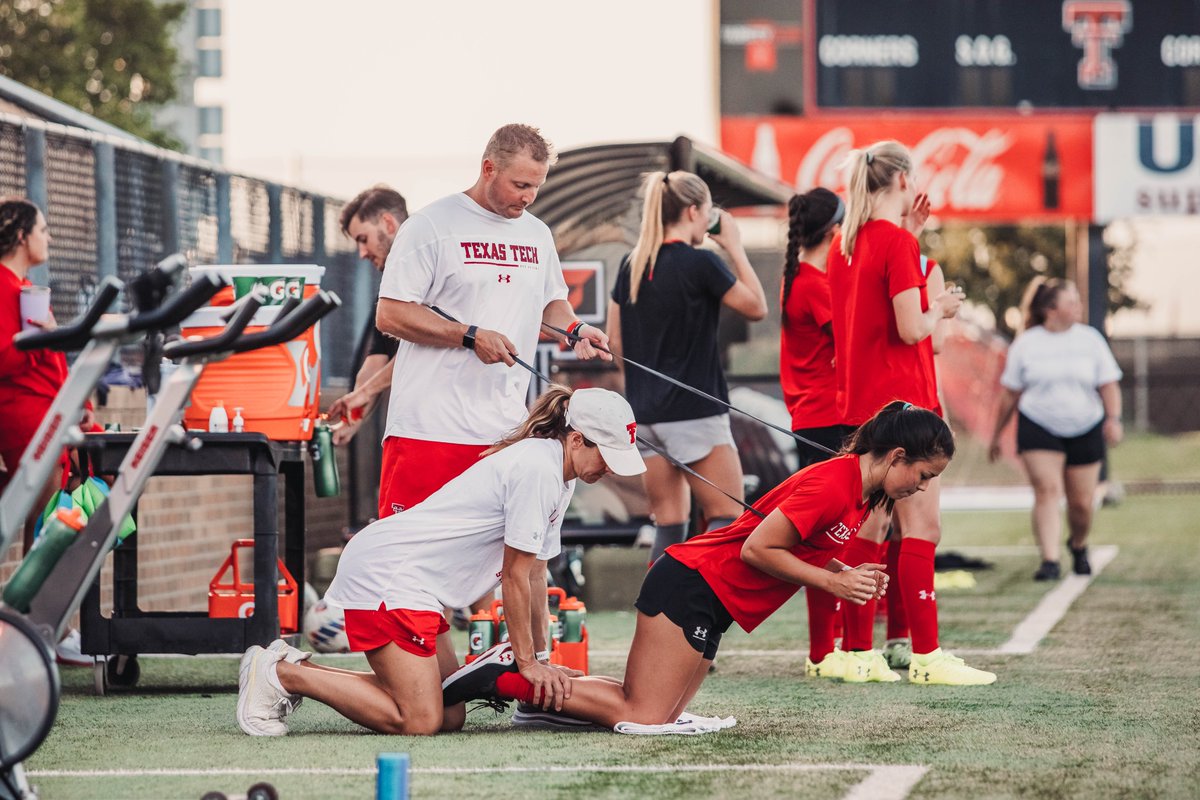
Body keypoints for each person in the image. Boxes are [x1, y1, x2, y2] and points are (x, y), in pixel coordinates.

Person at [442, 402, 979, 729]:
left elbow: (794, 547)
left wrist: (844, 573)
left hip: (714, 597)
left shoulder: (861, 493)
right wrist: (835, 579)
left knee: (658, 712)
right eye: (924, 476)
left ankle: (545, 700)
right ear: (896, 458)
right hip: (692, 583)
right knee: (643, 714)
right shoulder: (835, 482)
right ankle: (504, 677)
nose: (922, 488)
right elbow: (757, 550)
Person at [235, 386, 646, 736]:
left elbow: (537, 574)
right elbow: (516, 577)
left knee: (449, 714)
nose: (610, 468)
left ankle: (290, 667)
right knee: (420, 719)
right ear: (576, 440)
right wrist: (526, 663)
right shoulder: (537, 468)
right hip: (388, 577)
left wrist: (541, 661)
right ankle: (282, 674)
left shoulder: (561, 474)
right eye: (606, 455)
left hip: (418, 587)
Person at [370, 124, 609, 520]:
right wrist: (469, 336)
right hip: (429, 429)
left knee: (485, 568)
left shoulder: (537, 233)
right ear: (488, 169)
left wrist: (575, 329)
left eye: (537, 186)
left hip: (504, 431)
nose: (529, 197)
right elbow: (390, 314)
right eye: (520, 185)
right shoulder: (432, 226)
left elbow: (552, 302)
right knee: (411, 564)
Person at [826, 142, 994, 685]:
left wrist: (912, 248)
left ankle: (856, 652)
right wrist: (941, 306)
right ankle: (926, 656)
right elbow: (912, 329)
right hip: (905, 404)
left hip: (862, 405)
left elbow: (874, 317)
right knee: (922, 527)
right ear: (900, 178)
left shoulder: (842, 244)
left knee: (868, 527)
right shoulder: (895, 243)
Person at [608, 170, 767, 563]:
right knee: (727, 517)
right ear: (695, 211)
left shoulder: (633, 263)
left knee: (669, 522)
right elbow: (757, 308)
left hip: (644, 414)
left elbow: (614, 343)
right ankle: (696, 617)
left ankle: (657, 619)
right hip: (695, 412)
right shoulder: (702, 263)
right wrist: (734, 246)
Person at [0, 197, 91, 667]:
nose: (48, 237)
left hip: (51, 414)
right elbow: (7, 356)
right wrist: (44, 337)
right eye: (43, 229)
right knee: (45, 526)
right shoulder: (2, 285)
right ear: (20, 234)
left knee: (60, 522)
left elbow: (41, 354)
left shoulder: (23, 288)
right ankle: (39, 626)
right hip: (28, 418)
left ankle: (46, 623)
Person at [988, 278, 1123, 580]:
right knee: (1047, 490)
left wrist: (1113, 419)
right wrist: (996, 435)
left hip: (1085, 425)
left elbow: (1109, 384)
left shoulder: (1090, 339)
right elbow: (1010, 394)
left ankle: (1078, 543)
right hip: (1038, 424)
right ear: (1051, 309)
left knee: (1081, 503)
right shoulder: (1026, 343)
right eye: (1071, 301)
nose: (1078, 306)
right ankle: (1049, 561)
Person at [777, 187, 857, 679]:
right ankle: (825, 651)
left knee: (831, 536)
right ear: (834, 231)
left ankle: (829, 647)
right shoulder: (814, 284)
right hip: (828, 418)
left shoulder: (801, 278)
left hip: (817, 417)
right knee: (831, 539)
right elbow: (857, 337)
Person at [327, 185, 407, 447]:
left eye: (363, 239)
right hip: (409, 433)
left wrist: (363, 393)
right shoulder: (390, 290)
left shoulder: (436, 272)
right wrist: (349, 424)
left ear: (388, 223)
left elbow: (420, 355)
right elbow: (374, 363)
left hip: (455, 428)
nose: (361, 253)